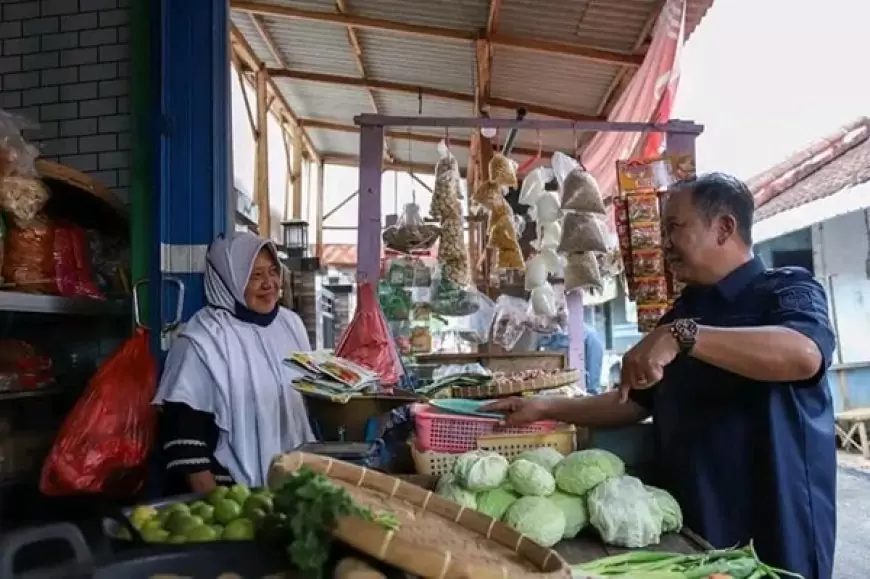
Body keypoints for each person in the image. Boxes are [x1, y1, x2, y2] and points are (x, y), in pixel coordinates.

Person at [484, 173, 836, 579]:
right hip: (695, 522)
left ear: (724, 228)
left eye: (675, 227)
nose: (664, 242)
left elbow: (804, 355)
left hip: (775, 522)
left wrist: (682, 336)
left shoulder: (786, 290)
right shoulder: (684, 311)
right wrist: (545, 406)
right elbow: (635, 401)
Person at [153, 232, 315, 493]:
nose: (269, 283)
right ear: (228, 279)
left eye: (273, 271)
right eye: (255, 275)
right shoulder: (203, 339)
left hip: (292, 488)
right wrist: (218, 507)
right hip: (232, 495)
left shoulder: (290, 325)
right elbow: (182, 434)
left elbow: (305, 399)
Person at [537, 323, 605, 393]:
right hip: (549, 391)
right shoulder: (545, 335)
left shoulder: (590, 337)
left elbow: (593, 381)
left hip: (576, 393)